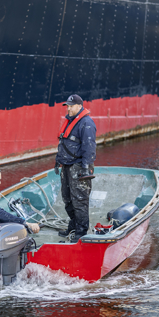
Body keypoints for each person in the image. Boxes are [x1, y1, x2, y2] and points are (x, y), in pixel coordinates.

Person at [54, 94, 97, 243]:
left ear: (79, 106)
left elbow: (89, 148)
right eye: (68, 106)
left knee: (80, 200)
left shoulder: (87, 123)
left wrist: (85, 168)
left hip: (78, 167)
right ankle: (73, 225)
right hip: (66, 166)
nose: (69, 109)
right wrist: (57, 162)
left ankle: (81, 231)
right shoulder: (70, 121)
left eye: (71, 106)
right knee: (67, 198)